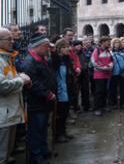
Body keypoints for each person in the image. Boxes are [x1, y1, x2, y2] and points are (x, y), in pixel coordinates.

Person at [21, 33, 57, 164]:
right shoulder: (30, 62)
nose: (48, 49)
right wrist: (47, 93)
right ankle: (36, 157)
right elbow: (33, 84)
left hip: (43, 103)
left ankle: (43, 151)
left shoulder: (41, 59)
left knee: (42, 129)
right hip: (36, 104)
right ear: (39, 46)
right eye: (46, 46)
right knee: (35, 131)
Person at [0, 28, 31, 164]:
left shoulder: (6, 57)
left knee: (7, 152)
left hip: (10, 112)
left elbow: (9, 77)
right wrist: (21, 80)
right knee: (2, 153)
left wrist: (19, 77)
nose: (13, 41)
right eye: (9, 39)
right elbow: (2, 86)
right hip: (3, 114)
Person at [50, 39, 75, 143]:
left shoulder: (66, 59)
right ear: (59, 49)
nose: (68, 49)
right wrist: (53, 51)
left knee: (65, 113)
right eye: (64, 47)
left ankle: (63, 132)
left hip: (67, 89)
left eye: (68, 46)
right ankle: (58, 134)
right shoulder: (56, 60)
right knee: (59, 114)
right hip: (60, 90)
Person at [91, 36, 113, 117]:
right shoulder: (97, 50)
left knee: (104, 91)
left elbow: (111, 60)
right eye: (108, 41)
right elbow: (94, 62)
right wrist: (104, 68)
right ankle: (96, 108)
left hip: (107, 75)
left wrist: (110, 66)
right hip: (99, 75)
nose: (109, 43)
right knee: (99, 92)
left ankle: (103, 106)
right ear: (103, 42)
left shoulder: (108, 51)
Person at [110, 38, 124, 109]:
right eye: (115, 43)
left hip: (123, 72)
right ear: (113, 44)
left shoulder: (123, 51)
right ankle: (114, 103)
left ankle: (122, 103)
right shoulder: (110, 52)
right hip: (114, 72)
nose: (117, 44)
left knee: (122, 88)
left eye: (118, 43)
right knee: (114, 89)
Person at [73, 40, 90, 112]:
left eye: (80, 45)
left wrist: (86, 66)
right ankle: (76, 107)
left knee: (85, 90)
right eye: (77, 45)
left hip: (85, 73)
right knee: (76, 91)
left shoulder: (83, 52)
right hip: (77, 74)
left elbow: (86, 61)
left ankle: (86, 105)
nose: (79, 46)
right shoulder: (73, 53)